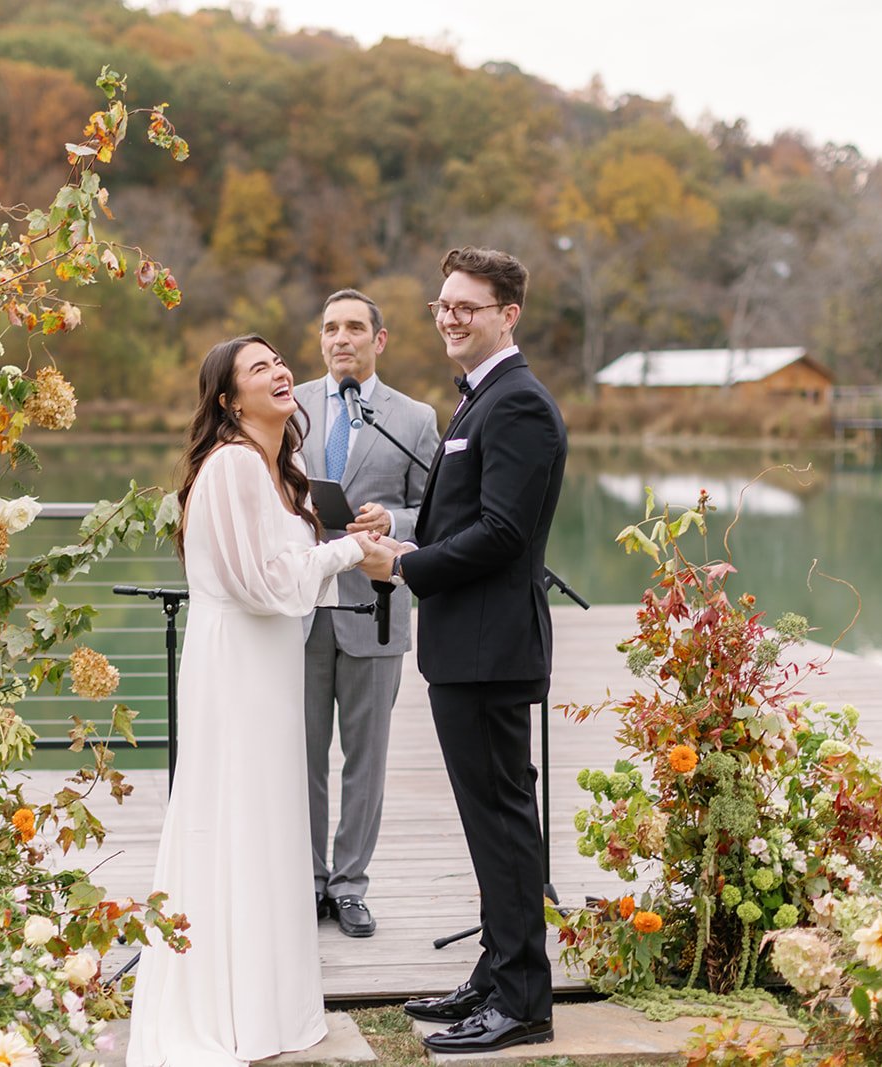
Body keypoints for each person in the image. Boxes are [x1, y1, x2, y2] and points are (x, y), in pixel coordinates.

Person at [127, 335, 395, 1066]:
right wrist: (348, 553)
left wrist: (358, 535)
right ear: (228, 399)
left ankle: (273, 1004)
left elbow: (292, 572)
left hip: (273, 669)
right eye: (259, 368)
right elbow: (265, 585)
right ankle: (230, 1009)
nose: (280, 371)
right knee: (237, 820)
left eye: (279, 360)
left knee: (273, 825)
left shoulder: (287, 469)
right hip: (237, 671)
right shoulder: (234, 466)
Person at [361, 247, 567, 1053]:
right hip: (467, 648)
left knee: (505, 822)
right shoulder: (482, 400)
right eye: (442, 304)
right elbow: (466, 518)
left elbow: (506, 534)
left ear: (506, 314)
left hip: (491, 650)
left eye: (466, 306)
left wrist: (405, 566)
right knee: (489, 821)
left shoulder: (517, 404)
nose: (449, 317)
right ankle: (494, 971)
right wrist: (402, 527)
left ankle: (522, 1001)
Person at [295, 288, 440, 938]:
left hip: (375, 610)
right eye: (331, 328)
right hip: (298, 610)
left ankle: (351, 886)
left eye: (355, 327)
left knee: (366, 759)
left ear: (380, 340)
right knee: (301, 756)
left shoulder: (413, 417)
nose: (341, 338)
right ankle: (308, 882)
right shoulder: (287, 405)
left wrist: (394, 519)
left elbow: (439, 512)